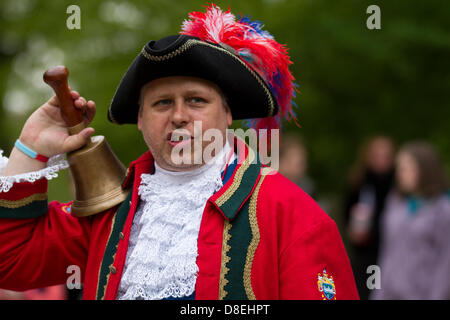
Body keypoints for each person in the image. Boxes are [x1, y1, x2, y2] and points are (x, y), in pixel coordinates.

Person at [0, 4, 358, 300]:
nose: (179, 116)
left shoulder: (290, 212)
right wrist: (31, 145)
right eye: (162, 103)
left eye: (196, 100)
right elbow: (10, 262)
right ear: (140, 119)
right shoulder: (107, 213)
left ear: (228, 114)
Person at [371, 141, 450, 300]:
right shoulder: (395, 203)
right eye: (399, 168)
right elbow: (386, 254)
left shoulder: (442, 209)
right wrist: (377, 292)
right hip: (390, 294)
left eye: (407, 168)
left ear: (425, 170)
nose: (401, 174)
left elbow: (446, 263)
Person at [343, 136, 395, 299]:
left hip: (392, 253)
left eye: (385, 156)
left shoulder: (399, 185)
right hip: (365, 254)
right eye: (376, 155)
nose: (381, 161)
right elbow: (347, 214)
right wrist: (351, 231)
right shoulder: (359, 183)